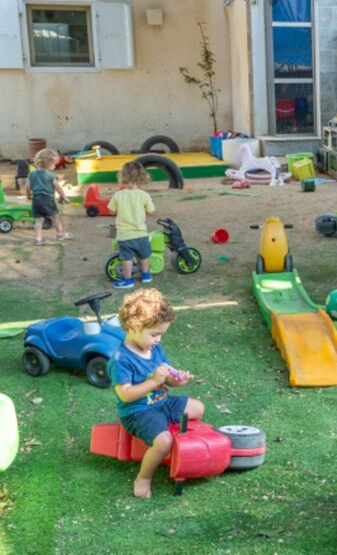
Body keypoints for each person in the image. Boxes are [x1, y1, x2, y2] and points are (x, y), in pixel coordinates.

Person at [108, 288, 204, 498]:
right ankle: (144, 477)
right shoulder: (120, 359)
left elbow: (168, 380)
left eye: (161, 334)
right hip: (138, 412)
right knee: (163, 441)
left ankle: (182, 451)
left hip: (162, 402)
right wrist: (153, 381)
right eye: (154, 334)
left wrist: (177, 380)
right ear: (133, 327)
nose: (158, 339)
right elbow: (125, 395)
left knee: (197, 408)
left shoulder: (155, 348)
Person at [107, 161, 155, 289]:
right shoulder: (145, 195)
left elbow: (111, 211)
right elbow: (151, 211)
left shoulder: (118, 195)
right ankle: (146, 276)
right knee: (143, 256)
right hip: (141, 233)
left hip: (125, 235)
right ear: (142, 176)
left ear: (123, 176)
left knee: (127, 258)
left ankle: (127, 280)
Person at [25, 148, 72, 246]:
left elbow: (27, 187)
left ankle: (38, 238)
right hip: (47, 199)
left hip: (36, 200)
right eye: (54, 164)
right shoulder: (51, 175)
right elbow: (58, 187)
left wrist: (28, 196)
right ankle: (60, 234)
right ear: (48, 165)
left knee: (39, 219)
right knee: (56, 216)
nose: (55, 166)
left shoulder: (32, 174)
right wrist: (64, 197)